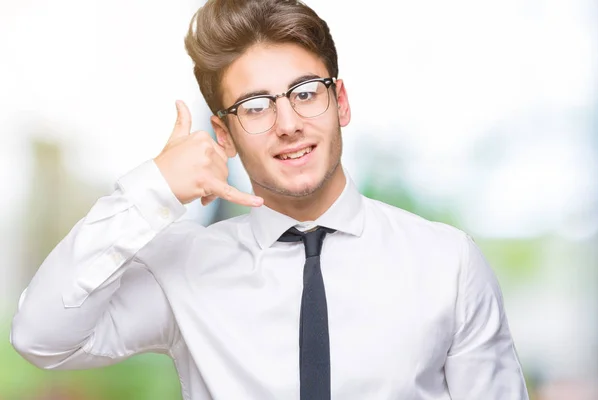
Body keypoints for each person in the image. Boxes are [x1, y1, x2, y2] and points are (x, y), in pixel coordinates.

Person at [10, 0, 529, 399]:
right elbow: (41, 337)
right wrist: (149, 191)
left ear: (340, 101)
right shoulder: (185, 268)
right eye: (255, 106)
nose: (288, 124)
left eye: (306, 92)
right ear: (225, 134)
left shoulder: (447, 264)